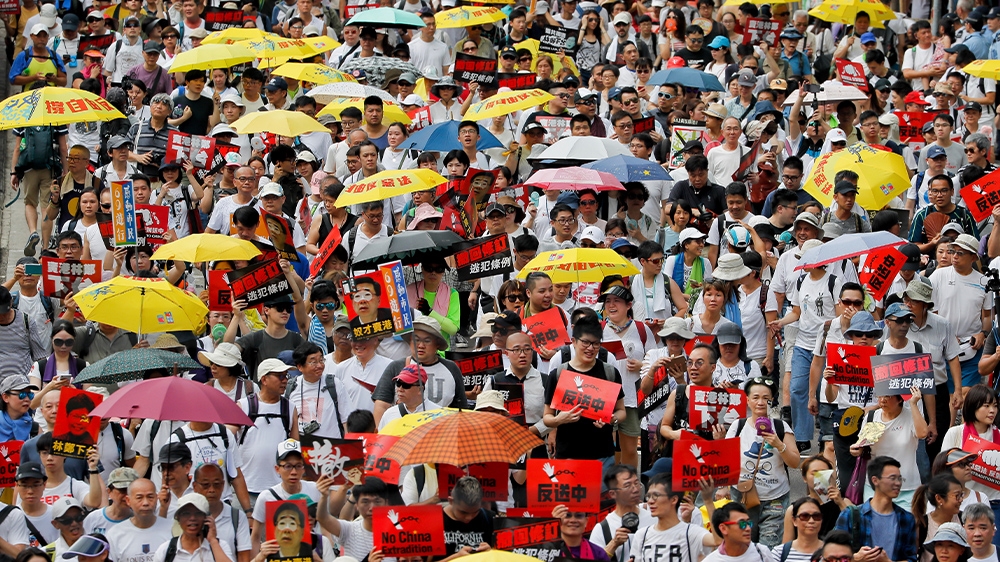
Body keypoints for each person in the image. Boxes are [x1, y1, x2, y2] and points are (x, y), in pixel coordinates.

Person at [543, 315, 626, 465]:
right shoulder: (559, 374)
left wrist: (611, 418)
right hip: (568, 455)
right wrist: (558, 420)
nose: (590, 348)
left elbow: (621, 411)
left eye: (596, 344)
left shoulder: (610, 373)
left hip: (602, 455)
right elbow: (547, 417)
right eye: (585, 342)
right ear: (574, 342)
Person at [727, 378, 800, 548]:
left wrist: (779, 445)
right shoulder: (738, 426)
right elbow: (726, 459)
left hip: (775, 498)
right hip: (742, 496)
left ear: (772, 401)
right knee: (744, 544)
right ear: (747, 400)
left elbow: (795, 462)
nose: (760, 402)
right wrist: (723, 487)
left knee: (769, 547)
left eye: (766, 398)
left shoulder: (781, 427)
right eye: (755, 397)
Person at [834, 456, 918, 561]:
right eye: (892, 478)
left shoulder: (906, 518)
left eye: (900, 478)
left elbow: (911, 558)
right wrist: (856, 558)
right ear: (875, 480)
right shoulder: (850, 515)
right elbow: (833, 554)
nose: (898, 483)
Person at [590, 465, 655, 561]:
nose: (635, 489)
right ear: (613, 494)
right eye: (627, 486)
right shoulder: (603, 529)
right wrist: (614, 543)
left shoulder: (654, 519)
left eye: (637, 483)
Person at [107, 478, 174, 562]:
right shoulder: (115, 534)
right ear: (128, 500)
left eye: (150, 497)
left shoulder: (172, 530)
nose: (145, 503)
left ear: (157, 498)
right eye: (139, 498)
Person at [153, 493, 235, 562]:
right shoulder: (166, 550)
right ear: (178, 518)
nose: (192, 518)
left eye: (198, 513)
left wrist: (213, 541)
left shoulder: (220, 546)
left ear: (206, 518)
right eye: (186, 513)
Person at [704, 503, 774, 562]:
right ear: (723, 528)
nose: (748, 528)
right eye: (742, 524)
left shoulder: (762, 552)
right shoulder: (711, 560)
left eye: (749, 523)